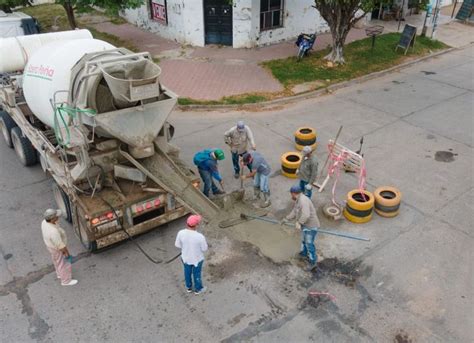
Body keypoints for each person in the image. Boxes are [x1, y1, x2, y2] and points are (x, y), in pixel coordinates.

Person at [282, 185, 321, 271]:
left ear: (293, 193)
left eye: (291, 194)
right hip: (305, 225)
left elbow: (306, 215)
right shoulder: (298, 200)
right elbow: (294, 211)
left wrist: (299, 222)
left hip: (311, 226)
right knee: (304, 241)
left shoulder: (303, 201)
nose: (291, 195)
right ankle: (303, 254)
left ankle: (313, 262)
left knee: (309, 243)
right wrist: (286, 218)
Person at [41, 209, 78, 286]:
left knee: (57, 261)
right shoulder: (53, 232)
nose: (58, 217)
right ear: (52, 219)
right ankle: (66, 281)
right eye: (56, 216)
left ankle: (59, 274)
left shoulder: (44, 222)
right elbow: (60, 246)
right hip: (56, 249)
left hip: (50, 246)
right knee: (63, 264)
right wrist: (67, 253)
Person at [175, 215, 208, 295]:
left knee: (187, 272)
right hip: (197, 259)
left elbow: (177, 245)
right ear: (196, 225)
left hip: (185, 258)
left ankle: (189, 287)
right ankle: (198, 289)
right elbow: (204, 249)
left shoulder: (181, 233)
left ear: (187, 223)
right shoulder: (200, 237)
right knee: (197, 273)